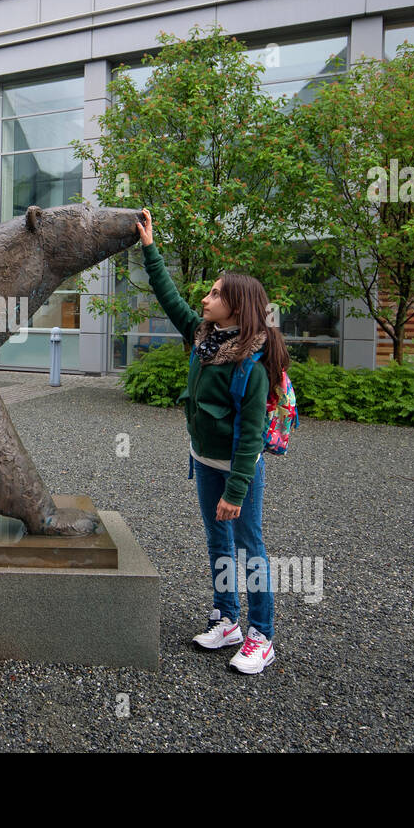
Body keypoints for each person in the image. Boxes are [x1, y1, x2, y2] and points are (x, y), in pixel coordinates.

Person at [134, 208, 290, 674]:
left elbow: (252, 436)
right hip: (204, 462)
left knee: (250, 547)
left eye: (216, 294)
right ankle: (227, 619)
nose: (205, 298)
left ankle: (262, 635)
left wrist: (237, 490)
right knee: (218, 541)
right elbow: (168, 298)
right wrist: (149, 248)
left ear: (237, 308)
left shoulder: (250, 361)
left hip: (237, 470)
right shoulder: (204, 337)